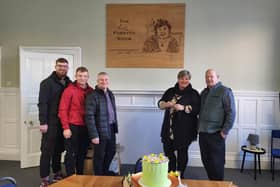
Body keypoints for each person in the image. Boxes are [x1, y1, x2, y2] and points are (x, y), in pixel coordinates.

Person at [158, 70, 200, 178]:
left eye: (186, 78)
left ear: (189, 80)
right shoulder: (170, 91)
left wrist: (183, 108)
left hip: (185, 129)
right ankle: (171, 173)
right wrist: (166, 104)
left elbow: (197, 109)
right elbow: (160, 103)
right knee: (168, 152)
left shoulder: (193, 93)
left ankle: (180, 174)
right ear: (178, 79)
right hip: (169, 128)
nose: (184, 80)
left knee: (182, 154)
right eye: (182, 78)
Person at [38, 58, 71, 187]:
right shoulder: (46, 83)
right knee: (47, 150)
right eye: (60, 66)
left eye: (65, 66)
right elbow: (42, 103)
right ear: (55, 66)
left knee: (58, 149)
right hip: (50, 122)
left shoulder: (69, 83)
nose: (62, 68)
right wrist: (43, 122)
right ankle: (45, 178)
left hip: (63, 122)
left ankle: (57, 172)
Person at [198, 69, 236, 181]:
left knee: (217, 164)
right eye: (207, 77)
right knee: (206, 161)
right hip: (203, 133)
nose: (209, 79)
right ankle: (212, 183)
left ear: (217, 77)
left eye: (211, 76)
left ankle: (218, 184)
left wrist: (225, 131)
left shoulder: (225, 91)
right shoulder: (204, 93)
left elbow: (231, 112)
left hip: (216, 134)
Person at [58, 67, 93, 176]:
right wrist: (66, 128)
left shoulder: (91, 91)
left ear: (88, 77)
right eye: (80, 76)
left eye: (84, 76)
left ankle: (80, 176)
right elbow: (62, 110)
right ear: (76, 76)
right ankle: (70, 177)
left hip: (86, 127)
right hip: (72, 127)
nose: (82, 78)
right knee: (71, 154)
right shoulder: (69, 90)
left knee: (82, 153)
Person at [85, 72, 118, 175]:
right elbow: (89, 116)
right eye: (101, 80)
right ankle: (98, 176)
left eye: (106, 80)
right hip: (99, 130)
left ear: (108, 81)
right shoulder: (93, 96)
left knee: (111, 151)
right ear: (97, 81)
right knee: (99, 155)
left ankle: (104, 171)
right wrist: (94, 135)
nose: (104, 82)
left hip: (111, 127)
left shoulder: (110, 94)